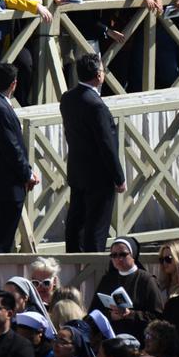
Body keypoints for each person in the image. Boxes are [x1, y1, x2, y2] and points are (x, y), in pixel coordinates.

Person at [59, 52, 126, 252]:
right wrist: (119, 177)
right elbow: (106, 145)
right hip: (99, 176)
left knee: (76, 224)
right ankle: (92, 269)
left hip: (77, 171)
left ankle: (74, 264)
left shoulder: (68, 98)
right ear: (98, 75)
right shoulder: (96, 106)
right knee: (96, 229)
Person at [0, 62, 39, 252]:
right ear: (14, 84)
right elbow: (12, 148)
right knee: (2, 239)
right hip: (7, 184)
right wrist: (27, 174)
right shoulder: (0, 108)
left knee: (1, 236)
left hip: (2, 182)